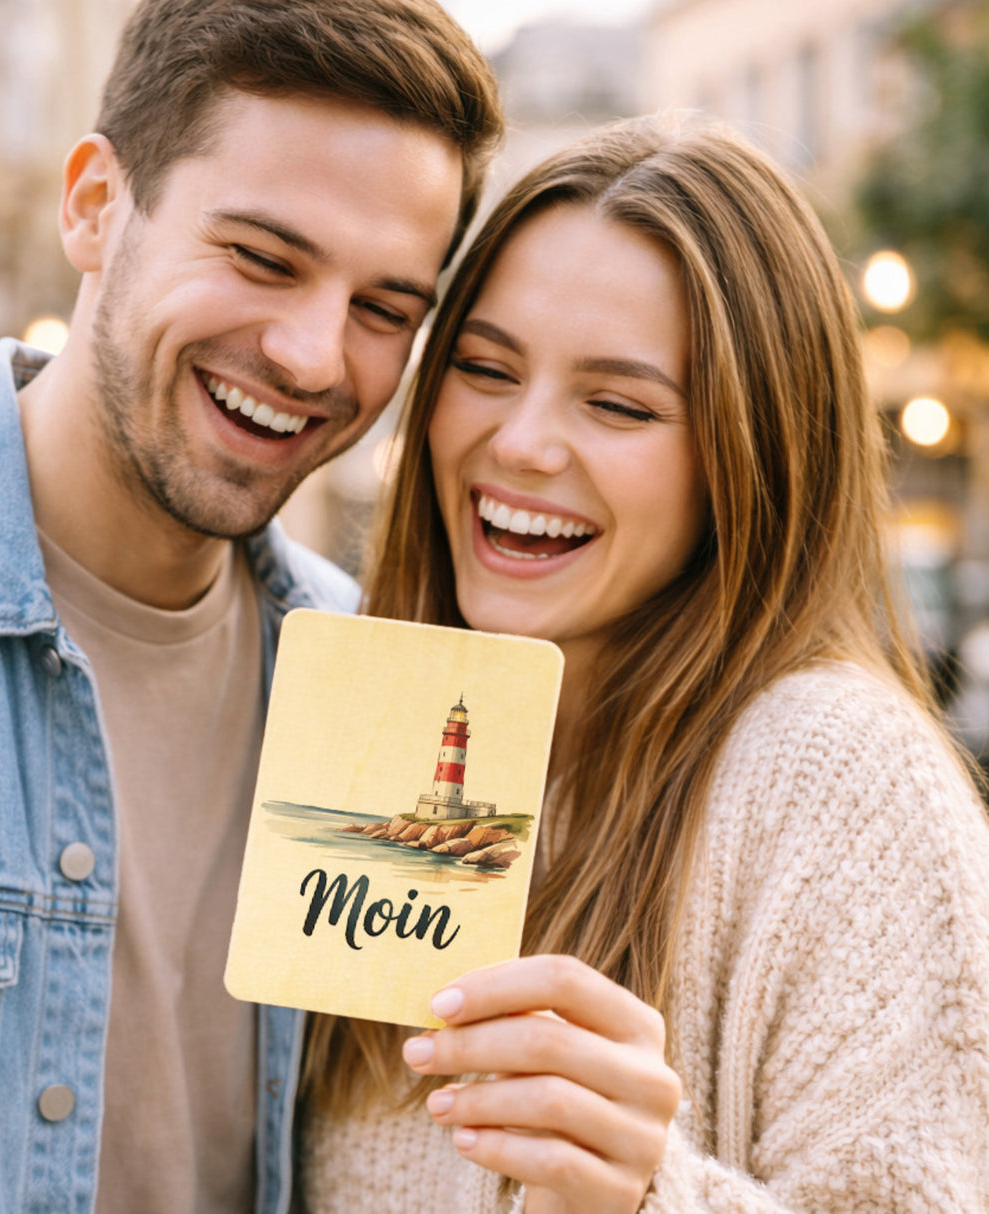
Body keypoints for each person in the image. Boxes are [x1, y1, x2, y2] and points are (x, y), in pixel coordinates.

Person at [0, 3, 501, 1212]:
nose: (316, 356)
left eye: (384, 308)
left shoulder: (384, 690)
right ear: (94, 207)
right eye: (262, 257)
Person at [299, 114, 989, 1213]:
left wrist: (644, 1194)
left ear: (746, 453)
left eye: (616, 403)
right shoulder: (387, 717)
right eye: (483, 367)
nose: (521, 440)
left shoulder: (841, 779)